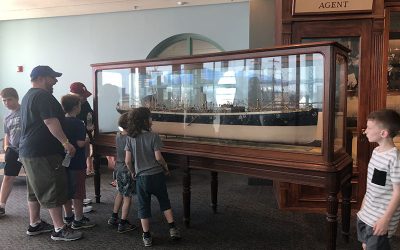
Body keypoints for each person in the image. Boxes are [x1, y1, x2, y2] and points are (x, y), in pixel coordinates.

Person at [19, 65, 82, 241]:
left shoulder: (28, 95)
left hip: (29, 151)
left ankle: (35, 223)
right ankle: (59, 229)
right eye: (52, 77)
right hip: (43, 152)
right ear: (41, 77)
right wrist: (66, 142)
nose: (55, 81)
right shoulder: (43, 95)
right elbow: (50, 121)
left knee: (34, 189)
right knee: (52, 187)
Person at [125, 107, 181, 247]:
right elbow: (158, 157)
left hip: (141, 178)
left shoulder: (130, 138)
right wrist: (166, 167)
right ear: (145, 121)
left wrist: (133, 172)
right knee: (164, 201)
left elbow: (127, 161)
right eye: (150, 117)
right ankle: (173, 228)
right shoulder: (154, 136)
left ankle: (146, 236)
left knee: (143, 206)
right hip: (156, 175)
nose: (152, 120)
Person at [357, 109, 400, 250]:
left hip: (380, 219)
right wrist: (363, 208)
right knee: (366, 245)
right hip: (367, 214)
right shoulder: (376, 152)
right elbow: (372, 186)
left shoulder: (394, 158)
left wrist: (385, 220)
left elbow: (398, 193)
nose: (365, 131)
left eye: (369, 128)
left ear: (383, 133)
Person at [60, 94, 95, 230]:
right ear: (76, 107)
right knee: (78, 192)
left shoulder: (60, 122)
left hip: (63, 161)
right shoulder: (78, 123)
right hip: (77, 162)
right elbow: (80, 143)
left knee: (66, 190)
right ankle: (79, 219)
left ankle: (68, 216)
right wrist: (87, 139)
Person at [107, 112, 137, 233]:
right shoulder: (131, 138)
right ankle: (123, 223)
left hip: (118, 169)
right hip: (127, 170)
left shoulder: (118, 135)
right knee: (127, 197)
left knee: (120, 193)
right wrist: (133, 171)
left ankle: (114, 217)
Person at [0, 88, 22, 217]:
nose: (7, 103)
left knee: (33, 178)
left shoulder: (25, 111)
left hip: (27, 149)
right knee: (8, 177)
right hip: (13, 150)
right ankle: (1, 205)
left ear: (16, 98)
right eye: (4, 100)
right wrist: (6, 146)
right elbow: (7, 133)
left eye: (9, 100)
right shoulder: (7, 116)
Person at [69, 82, 95, 177]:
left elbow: (90, 115)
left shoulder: (85, 104)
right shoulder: (68, 107)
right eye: (82, 96)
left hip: (85, 134)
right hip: (74, 138)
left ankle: (88, 168)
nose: (85, 98)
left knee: (86, 153)